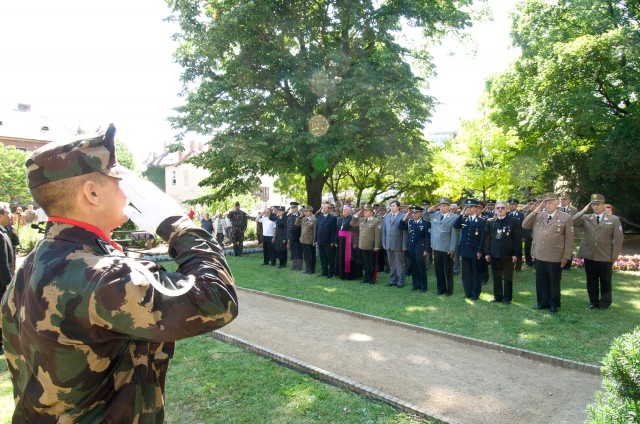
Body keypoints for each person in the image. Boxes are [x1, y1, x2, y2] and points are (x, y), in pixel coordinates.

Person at [0, 124, 238, 422]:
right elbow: (216, 299)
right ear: (92, 192)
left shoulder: (36, 260)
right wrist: (178, 225)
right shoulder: (102, 274)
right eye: (118, 179)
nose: (127, 189)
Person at [522, 192, 574, 313]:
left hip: (555, 255)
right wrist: (536, 210)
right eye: (546, 203)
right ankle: (542, 302)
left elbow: (569, 239)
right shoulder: (539, 215)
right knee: (540, 280)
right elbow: (524, 224)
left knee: (554, 281)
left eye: (551, 202)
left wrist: (566, 256)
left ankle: (553, 304)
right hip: (539, 254)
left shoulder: (565, 217)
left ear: (557, 203)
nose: (548, 205)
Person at [572, 194, 624, 310]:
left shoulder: (613, 219)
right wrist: (583, 211)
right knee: (591, 280)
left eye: (598, 204)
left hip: (605, 255)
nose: (595, 207)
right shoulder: (586, 218)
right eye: (593, 205)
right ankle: (593, 302)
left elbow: (618, 239)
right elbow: (572, 221)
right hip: (590, 254)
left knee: (605, 280)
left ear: (604, 205)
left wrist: (615, 255)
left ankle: (605, 303)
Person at [485, 201, 522, 304]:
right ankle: (498, 297)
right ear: (495, 210)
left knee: (508, 277)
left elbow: (517, 239)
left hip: (508, 254)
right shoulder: (490, 221)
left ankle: (507, 298)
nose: (500, 209)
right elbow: (487, 239)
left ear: (507, 209)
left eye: (502, 208)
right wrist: (487, 253)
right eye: (498, 208)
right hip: (494, 254)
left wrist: (515, 254)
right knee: (496, 277)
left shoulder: (514, 221)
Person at [454, 200, 486, 300]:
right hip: (465, 250)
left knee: (476, 273)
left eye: (471, 207)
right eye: (467, 207)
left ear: (476, 208)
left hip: (475, 251)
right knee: (466, 273)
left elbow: (483, 237)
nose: (469, 209)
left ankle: (475, 293)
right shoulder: (464, 219)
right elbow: (455, 225)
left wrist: (480, 250)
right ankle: (468, 293)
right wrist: (461, 214)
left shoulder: (481, 221)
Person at [429, 197, 458, 296]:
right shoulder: (435, 214)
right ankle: (441, 289)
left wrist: (452, 249)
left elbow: (454, 234)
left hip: (446, 248)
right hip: (436, 247)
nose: (442, 208)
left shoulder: (454, 217)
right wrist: (431, 209)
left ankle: (449, 290)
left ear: (449, 207)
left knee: (448, 270)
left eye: (444, 206)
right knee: (438, 270)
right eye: (440, 206)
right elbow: (424, 216)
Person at [401, 206, 430, 292]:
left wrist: (426, 249)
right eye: (413, 213)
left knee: (421, 268)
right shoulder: (410, 222)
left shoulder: (426, 223)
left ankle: (423, 287)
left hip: (421, 249)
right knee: (414, 268)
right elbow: (401, 226)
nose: (414, 214)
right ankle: (416, 285)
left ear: (421, 213)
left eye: (416, 212)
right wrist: (406, 217)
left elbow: (427, 237)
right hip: (411, 248)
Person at [0, 202, 16, 355]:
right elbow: (2, 261)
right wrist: (8, 282)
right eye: (7, 212)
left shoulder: (4, 231)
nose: (10, 215)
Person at [351, 204, 381, 284]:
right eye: (364, 211)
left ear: (371, 212)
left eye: (367, 211)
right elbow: (352, 224)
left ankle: (371, 278)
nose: (365, 212)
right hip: (363, 245)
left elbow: (377, 235)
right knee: (365, 262)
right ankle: (366, 277)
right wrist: (356, 214)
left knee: (372, 262)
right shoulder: (362, 219)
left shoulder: (376, 221)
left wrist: (377, 246)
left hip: (371, 245)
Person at [381, 200, 407, 288]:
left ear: (398, 207)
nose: (392, 208)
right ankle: (393, 280)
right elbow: (384, 230)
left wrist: (404, 245)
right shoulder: (387, 216)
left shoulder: (403, 216)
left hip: (398, 244)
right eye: (391, 206)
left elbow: (405, 232)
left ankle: (401, 281)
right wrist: (384, 242)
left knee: (399, 264)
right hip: (388, 244)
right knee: (391, 264)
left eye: (393, 206)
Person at [334, 204, 362, 280]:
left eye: (346, 210)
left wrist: (355, 242)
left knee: (349, 258)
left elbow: (356, 231)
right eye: (343, 210)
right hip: (340, 241)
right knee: (341, 257)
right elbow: (337, 230)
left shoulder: (353, 219)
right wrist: (336, 241)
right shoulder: (340, 219)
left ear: (350, 211)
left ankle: (349, 275)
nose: (344, 211)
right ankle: (341, 273)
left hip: (349, 241)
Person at [315, 204, 337, 278]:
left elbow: (334, 230)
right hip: (320, 240)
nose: (323, 209)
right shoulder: (319, 217)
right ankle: (324, 271)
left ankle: (330, 272)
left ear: (329, 209)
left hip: (328, 241)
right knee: (322, 257)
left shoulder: (332, 218)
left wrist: (332, 241)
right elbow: (317, 229)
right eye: (322, 208)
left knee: (330, 258)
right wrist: (316, 240)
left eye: (325, 208)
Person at [559, 194, 579, 270]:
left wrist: (575, 233)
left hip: (570, 232)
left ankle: (567, 265)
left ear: (569, 201)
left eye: (565, 199)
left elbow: (576, 222)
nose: (563, 201)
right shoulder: (557, 209)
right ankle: (560, 263)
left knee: (569, 248)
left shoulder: (574, 210)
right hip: (560, 232)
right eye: (562, 199)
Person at [296, 206, 317, 274]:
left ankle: (311, 269)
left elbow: (315, 231)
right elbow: (296, 224)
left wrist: (314, 241)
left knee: (311, 256)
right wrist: (300, 216)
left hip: (310, 240)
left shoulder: (314, 219)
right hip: (303, 240)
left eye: (307, 211)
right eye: (304, 211)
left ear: (311, 212)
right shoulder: (304, 219)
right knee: (306, 256)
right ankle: (307, 269)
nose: (305, 213)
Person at [507, 198, 525, 271]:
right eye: (510, 204)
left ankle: (518, 266)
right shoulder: (507, 214)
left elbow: (524, 226)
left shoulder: (521, 215)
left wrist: (523, 236)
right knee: (509, 250)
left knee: (518, 250)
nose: (511, 206)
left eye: (513, 204)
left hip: (518, 236)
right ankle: (510, 265)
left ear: (516, 205)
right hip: (509, 236)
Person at [286, 202, 303, 271]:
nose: (292, 209)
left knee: (298, 252)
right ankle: (294, 265)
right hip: (291, 237)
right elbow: (288, 227)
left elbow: (302, 227)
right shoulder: (289, 215)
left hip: (297, 236)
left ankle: (299, 266)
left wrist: (301, 236)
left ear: (296, 208)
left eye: (293, 208)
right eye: (291, 208)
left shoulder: (300, 215)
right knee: (293, 251)